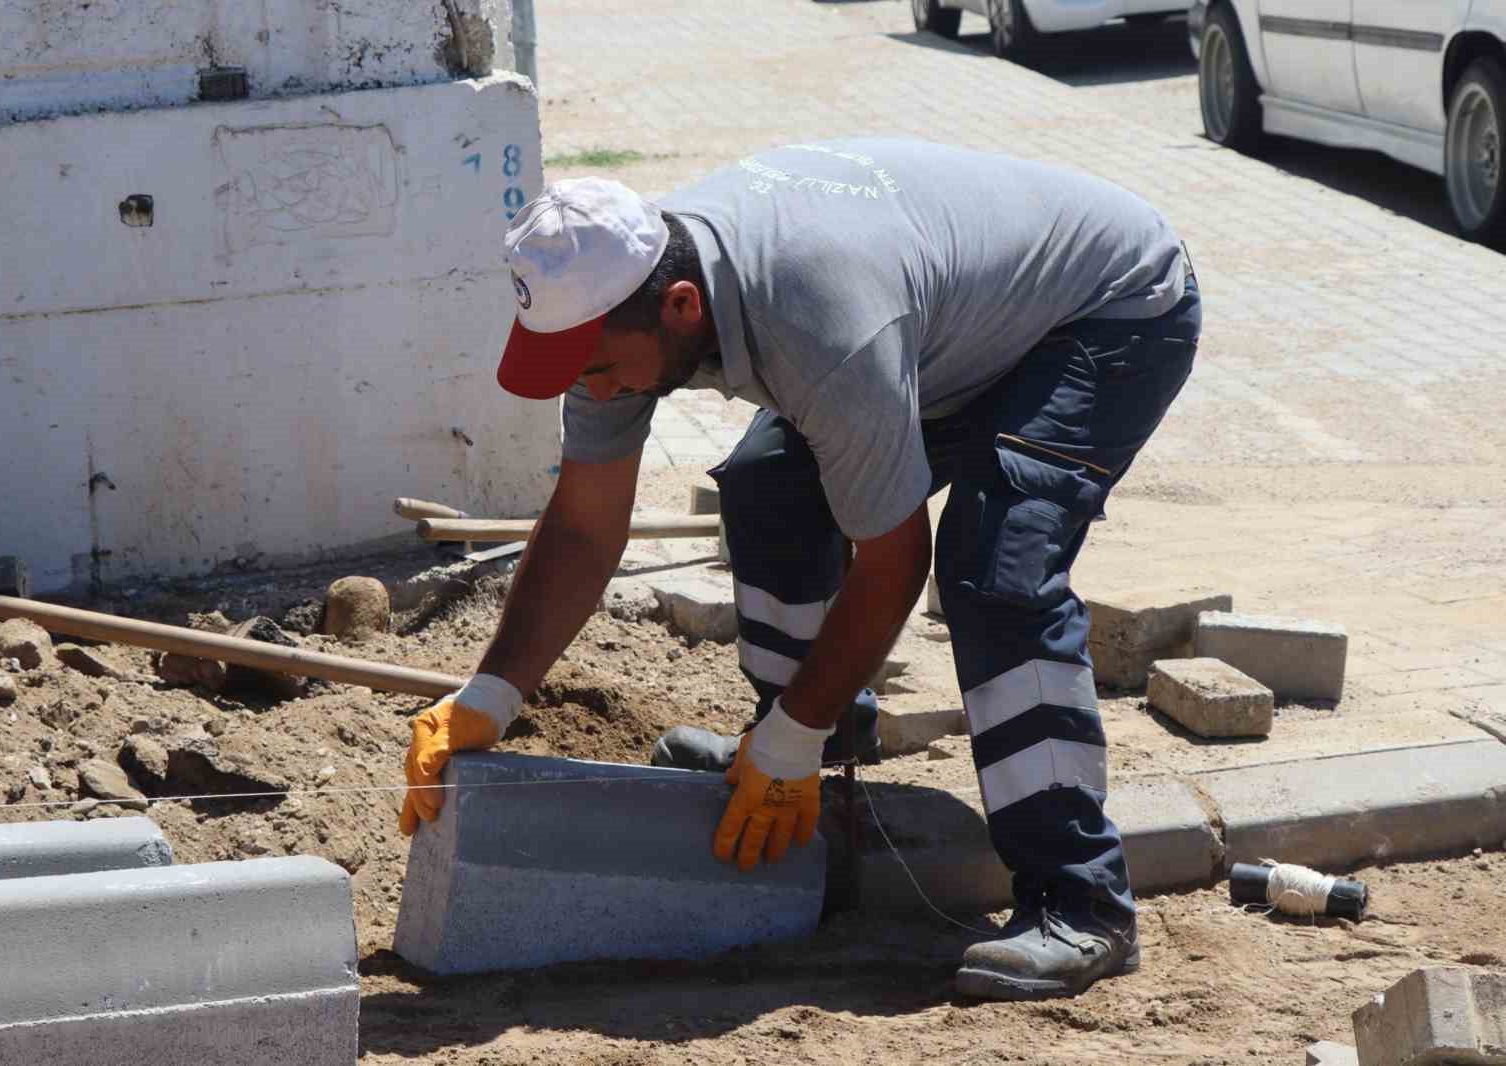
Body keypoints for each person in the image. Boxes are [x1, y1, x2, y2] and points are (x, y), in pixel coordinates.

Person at [399, 137, 1201, 1001]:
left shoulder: (818, 322)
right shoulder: (615, 307)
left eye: (595, 371)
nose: (590, 393)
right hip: (941, 326)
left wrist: (792, 733)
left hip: (1109, 310)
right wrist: (490, 696)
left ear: (678, 308)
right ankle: (811, 771)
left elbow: (895, 562)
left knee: (994, 567)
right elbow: (588, 526)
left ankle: (1081, 900)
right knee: (769, 486)